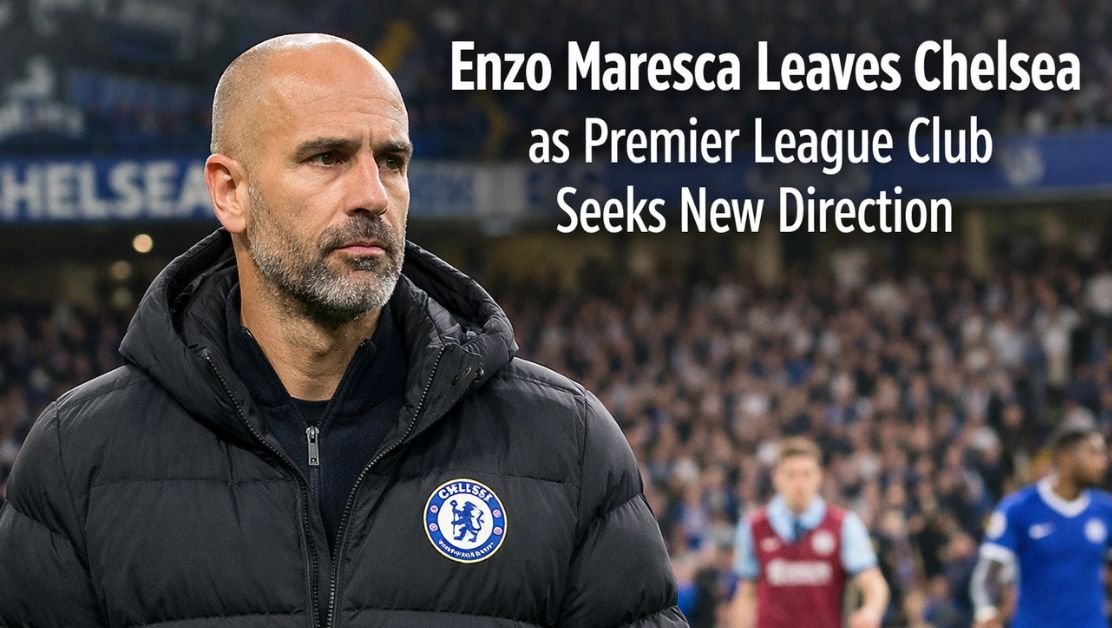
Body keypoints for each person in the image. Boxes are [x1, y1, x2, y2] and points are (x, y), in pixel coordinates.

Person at [0, 34, 685, 627]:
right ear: (230, 191)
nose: (371, 194)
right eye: (326, 157)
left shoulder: (564, 442)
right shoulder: (79, 456)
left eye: (391, 160)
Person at [971, 419, 1112, 628]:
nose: (1102, 462)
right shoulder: (1018, 509)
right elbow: (988, 575)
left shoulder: (1107, 510)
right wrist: (986, 612)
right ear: (1066, 457)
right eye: (1093, 453)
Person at [730, 437, 890, 628]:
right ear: (777, 478)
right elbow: (746, 593)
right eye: (791, 474)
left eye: (806, 474)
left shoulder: (844, 525)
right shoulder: (753, 527)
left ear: (819, 476)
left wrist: (870, 611)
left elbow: (873, 581)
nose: (799, 483)